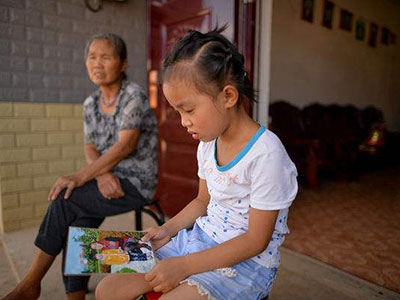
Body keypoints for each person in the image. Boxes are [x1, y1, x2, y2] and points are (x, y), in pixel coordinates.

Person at [95, 26, 297, 300]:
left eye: (188, 110)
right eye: (177, 111)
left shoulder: (267, 155)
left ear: (228, 96)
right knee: (108, 289)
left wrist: (183, 266)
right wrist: (167, 229)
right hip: (196, 242)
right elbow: (203, 201)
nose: (183, 121)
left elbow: (255, 241)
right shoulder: (207, 144)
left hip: (246, 263)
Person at [2, 33, 158, 300]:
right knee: (77, 225)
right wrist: (102, 175)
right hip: (107, 177)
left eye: (106, 57)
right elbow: (90, 147)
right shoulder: (89, 104)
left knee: (66, 201)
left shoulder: (134, 95)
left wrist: (81, 176)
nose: (97, 63)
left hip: (136, 182)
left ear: (122, 64)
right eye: (92, 57)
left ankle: (31, 284)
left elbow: (125, 146)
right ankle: (73, 295)